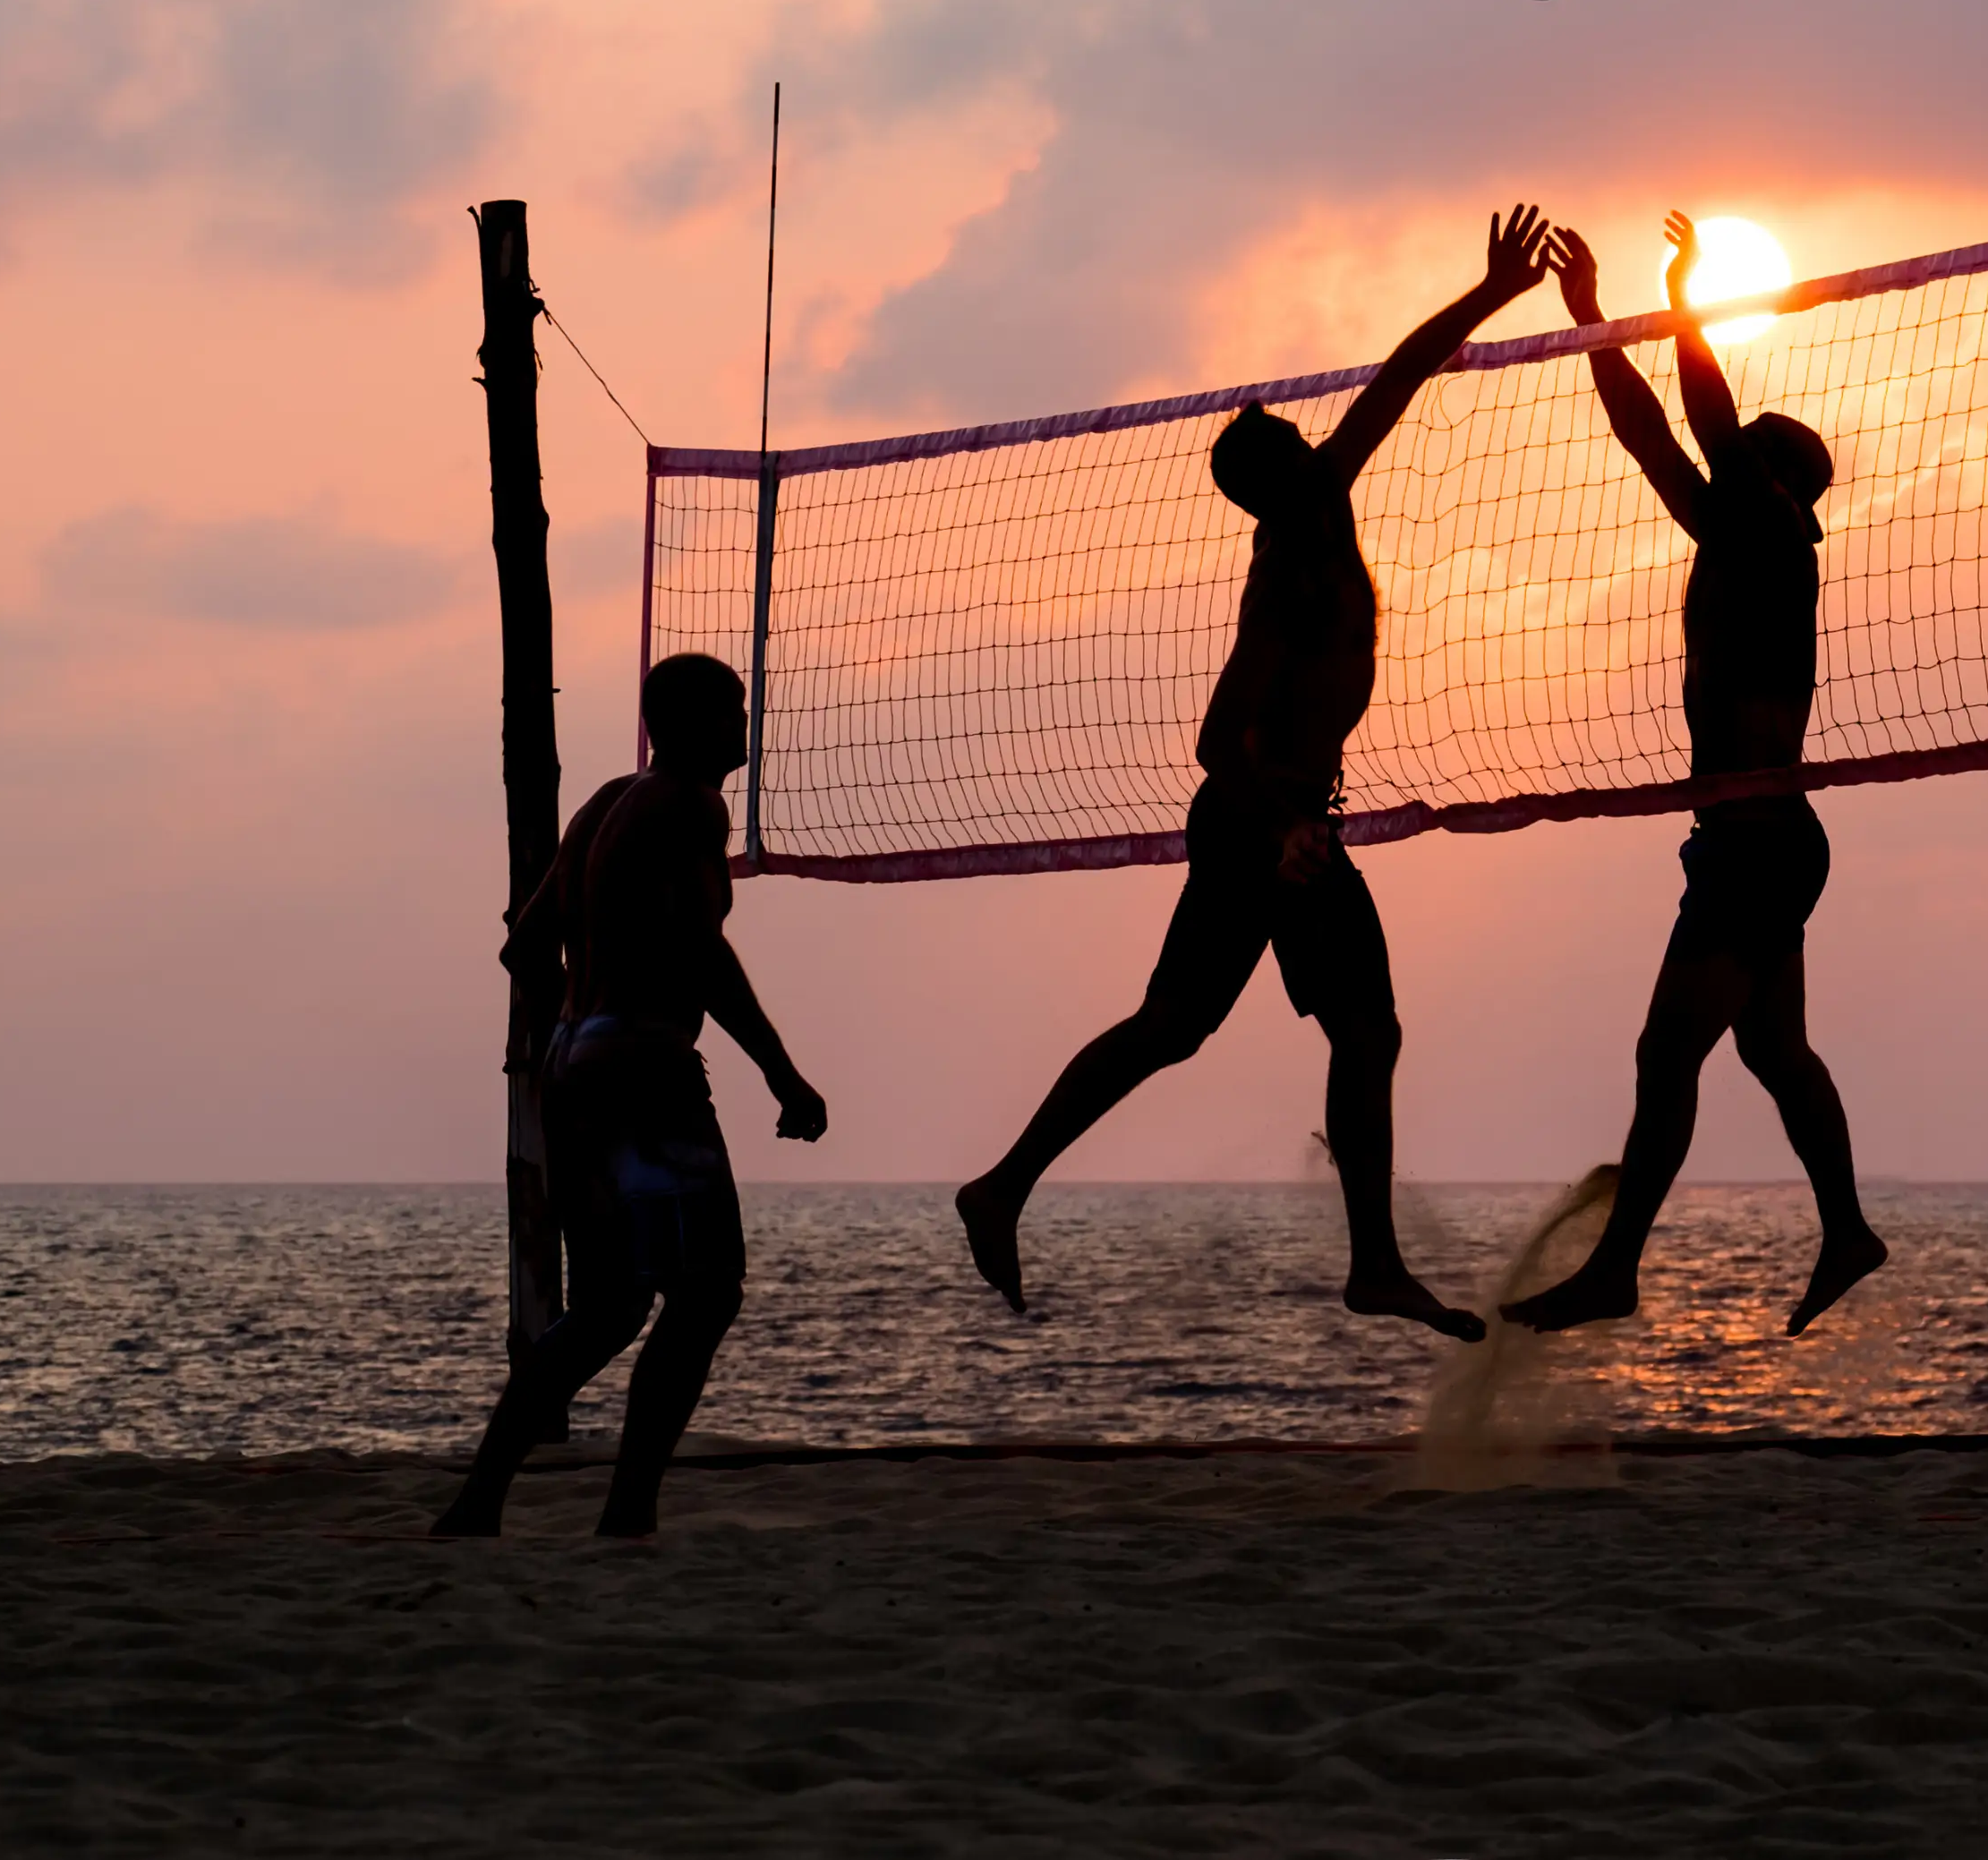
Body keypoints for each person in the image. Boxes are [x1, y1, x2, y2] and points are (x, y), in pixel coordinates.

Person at [954, 207, 1559, 1343]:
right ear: (1270, 480)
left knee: (1181, 1025)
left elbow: (1398, 383)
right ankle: (1372, 1264)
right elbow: (1214, 742)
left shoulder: (1308, 519)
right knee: (1359, 1028)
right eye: (1290, 441)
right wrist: (1282, 824)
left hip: (1268, 824)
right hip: (1261, 826)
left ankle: (1002, 1185)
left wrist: (1489, 296)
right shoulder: (1297, 548)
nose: (1314, 441)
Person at [1506, 213, 1886, 1338]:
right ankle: (1848, 1230)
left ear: (1776, 476)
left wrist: (1682, 297)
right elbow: (1646, 431)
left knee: (1668, 1049)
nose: (1729, 443)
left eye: (1750, 442)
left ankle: (1616, 1268)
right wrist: (1588, 317)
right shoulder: (1728, 531)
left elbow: (1706, 420)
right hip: (1753, 836)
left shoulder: (1771, 536)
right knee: (1771, 1047)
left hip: (1760, 838)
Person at [434, 653, 829, 1540]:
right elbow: (700, 951)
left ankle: (477, 1502)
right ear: (683, 724)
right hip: (646, 1065)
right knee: (708, 1290)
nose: (746, 728)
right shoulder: (690, 803)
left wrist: (567, 1039)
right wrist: (780, 1070)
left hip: (577, 1061)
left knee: (609, 1304)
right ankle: (630, 1510)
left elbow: (523, 947)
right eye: (733, 711)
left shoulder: (604, 803)